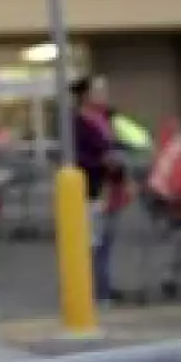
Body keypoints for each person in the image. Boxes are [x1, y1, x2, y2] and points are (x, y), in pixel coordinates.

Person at [72, 75, 126, 303]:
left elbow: (119, 146)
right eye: (98, 90)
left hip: (111, 188)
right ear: (85, 95)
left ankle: (104, 284)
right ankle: (95, 289)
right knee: (92, 241)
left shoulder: (106, 119)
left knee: (105, 240)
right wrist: (101, 163)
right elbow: (76, 156)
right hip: (91, 188)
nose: (104, 95)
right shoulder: (77, 123)